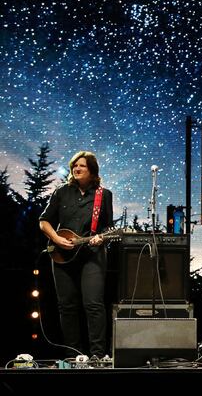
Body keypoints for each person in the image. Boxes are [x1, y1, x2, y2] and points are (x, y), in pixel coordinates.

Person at [39, 151, 113, 358]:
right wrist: (55, 237)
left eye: (83, 166)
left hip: (92, 255)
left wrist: (102, 238)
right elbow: (43, 220)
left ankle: (97, 356)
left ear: (92, 170)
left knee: (93, 304)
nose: (77, 169)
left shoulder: (103, 195)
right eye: (75, 166)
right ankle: (74, 355)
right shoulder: (61, 192)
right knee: (67, 306)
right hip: (61, 256)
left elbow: (108, 228)